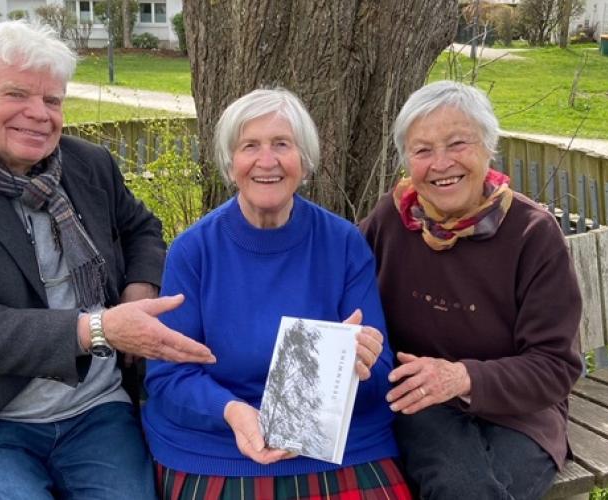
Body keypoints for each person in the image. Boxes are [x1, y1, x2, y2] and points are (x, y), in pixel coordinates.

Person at [0, 21, 214, 500]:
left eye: (52, 100)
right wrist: (100, 329)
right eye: (17, 94)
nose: (39, 114)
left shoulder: (88, 164)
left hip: (97, 409)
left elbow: (141, 230)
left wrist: (140, 286)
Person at [142, 88, 410, 499]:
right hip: (218, 445)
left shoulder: (343, 243)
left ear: (304, 162)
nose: (266, 161)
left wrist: (357, 364)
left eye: (281, 145)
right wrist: (230, 411)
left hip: (339, 448)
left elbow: (377, 376)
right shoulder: (193, 250)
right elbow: (168, 377)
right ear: (231, 165)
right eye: (250, 146)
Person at [359, 80, 583, 499]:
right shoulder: (392, 218)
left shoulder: (532, 234)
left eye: (457, 143)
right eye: (423, 150)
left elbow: (555, 366)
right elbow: (335, 276)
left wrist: (461, 377)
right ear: (408, 160)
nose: (441, 163)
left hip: (519, 414)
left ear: (487, 146)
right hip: (419, 405)